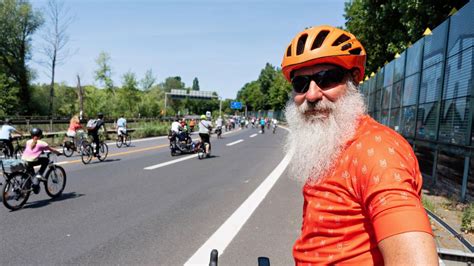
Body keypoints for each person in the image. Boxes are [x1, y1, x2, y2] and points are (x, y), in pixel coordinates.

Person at [281, 25, 437, 265]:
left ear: (353, 79)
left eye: (327, 78)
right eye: (301, 83)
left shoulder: (378, 152)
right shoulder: (327, 143)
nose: (311, 95)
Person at [21, 128, 61, 193]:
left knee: (31, 174)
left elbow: (32, 150)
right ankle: (39, 174)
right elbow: (51, 150)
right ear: (40, 135)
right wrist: (58, 153)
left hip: (24, 160)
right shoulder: (42, 143)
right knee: (46, 160)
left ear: (31, 135)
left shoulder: (28, 142)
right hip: (31, 161)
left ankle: (33, 184)